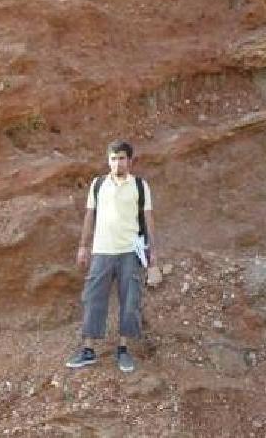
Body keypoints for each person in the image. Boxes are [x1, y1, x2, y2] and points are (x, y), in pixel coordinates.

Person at [65, 140, 157, 373]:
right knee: (93, 298)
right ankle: (88, 350)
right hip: (102, 251)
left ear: (130, 161)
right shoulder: (98, 185)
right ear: (108, 160)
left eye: (122, 158)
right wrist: (83, 246)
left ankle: (123, 350)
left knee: (130, 301)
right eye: (114, 158)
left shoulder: (139, 185)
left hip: (130, 251)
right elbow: (89, 215)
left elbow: (148, 219)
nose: (118, 163)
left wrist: (153, 253)